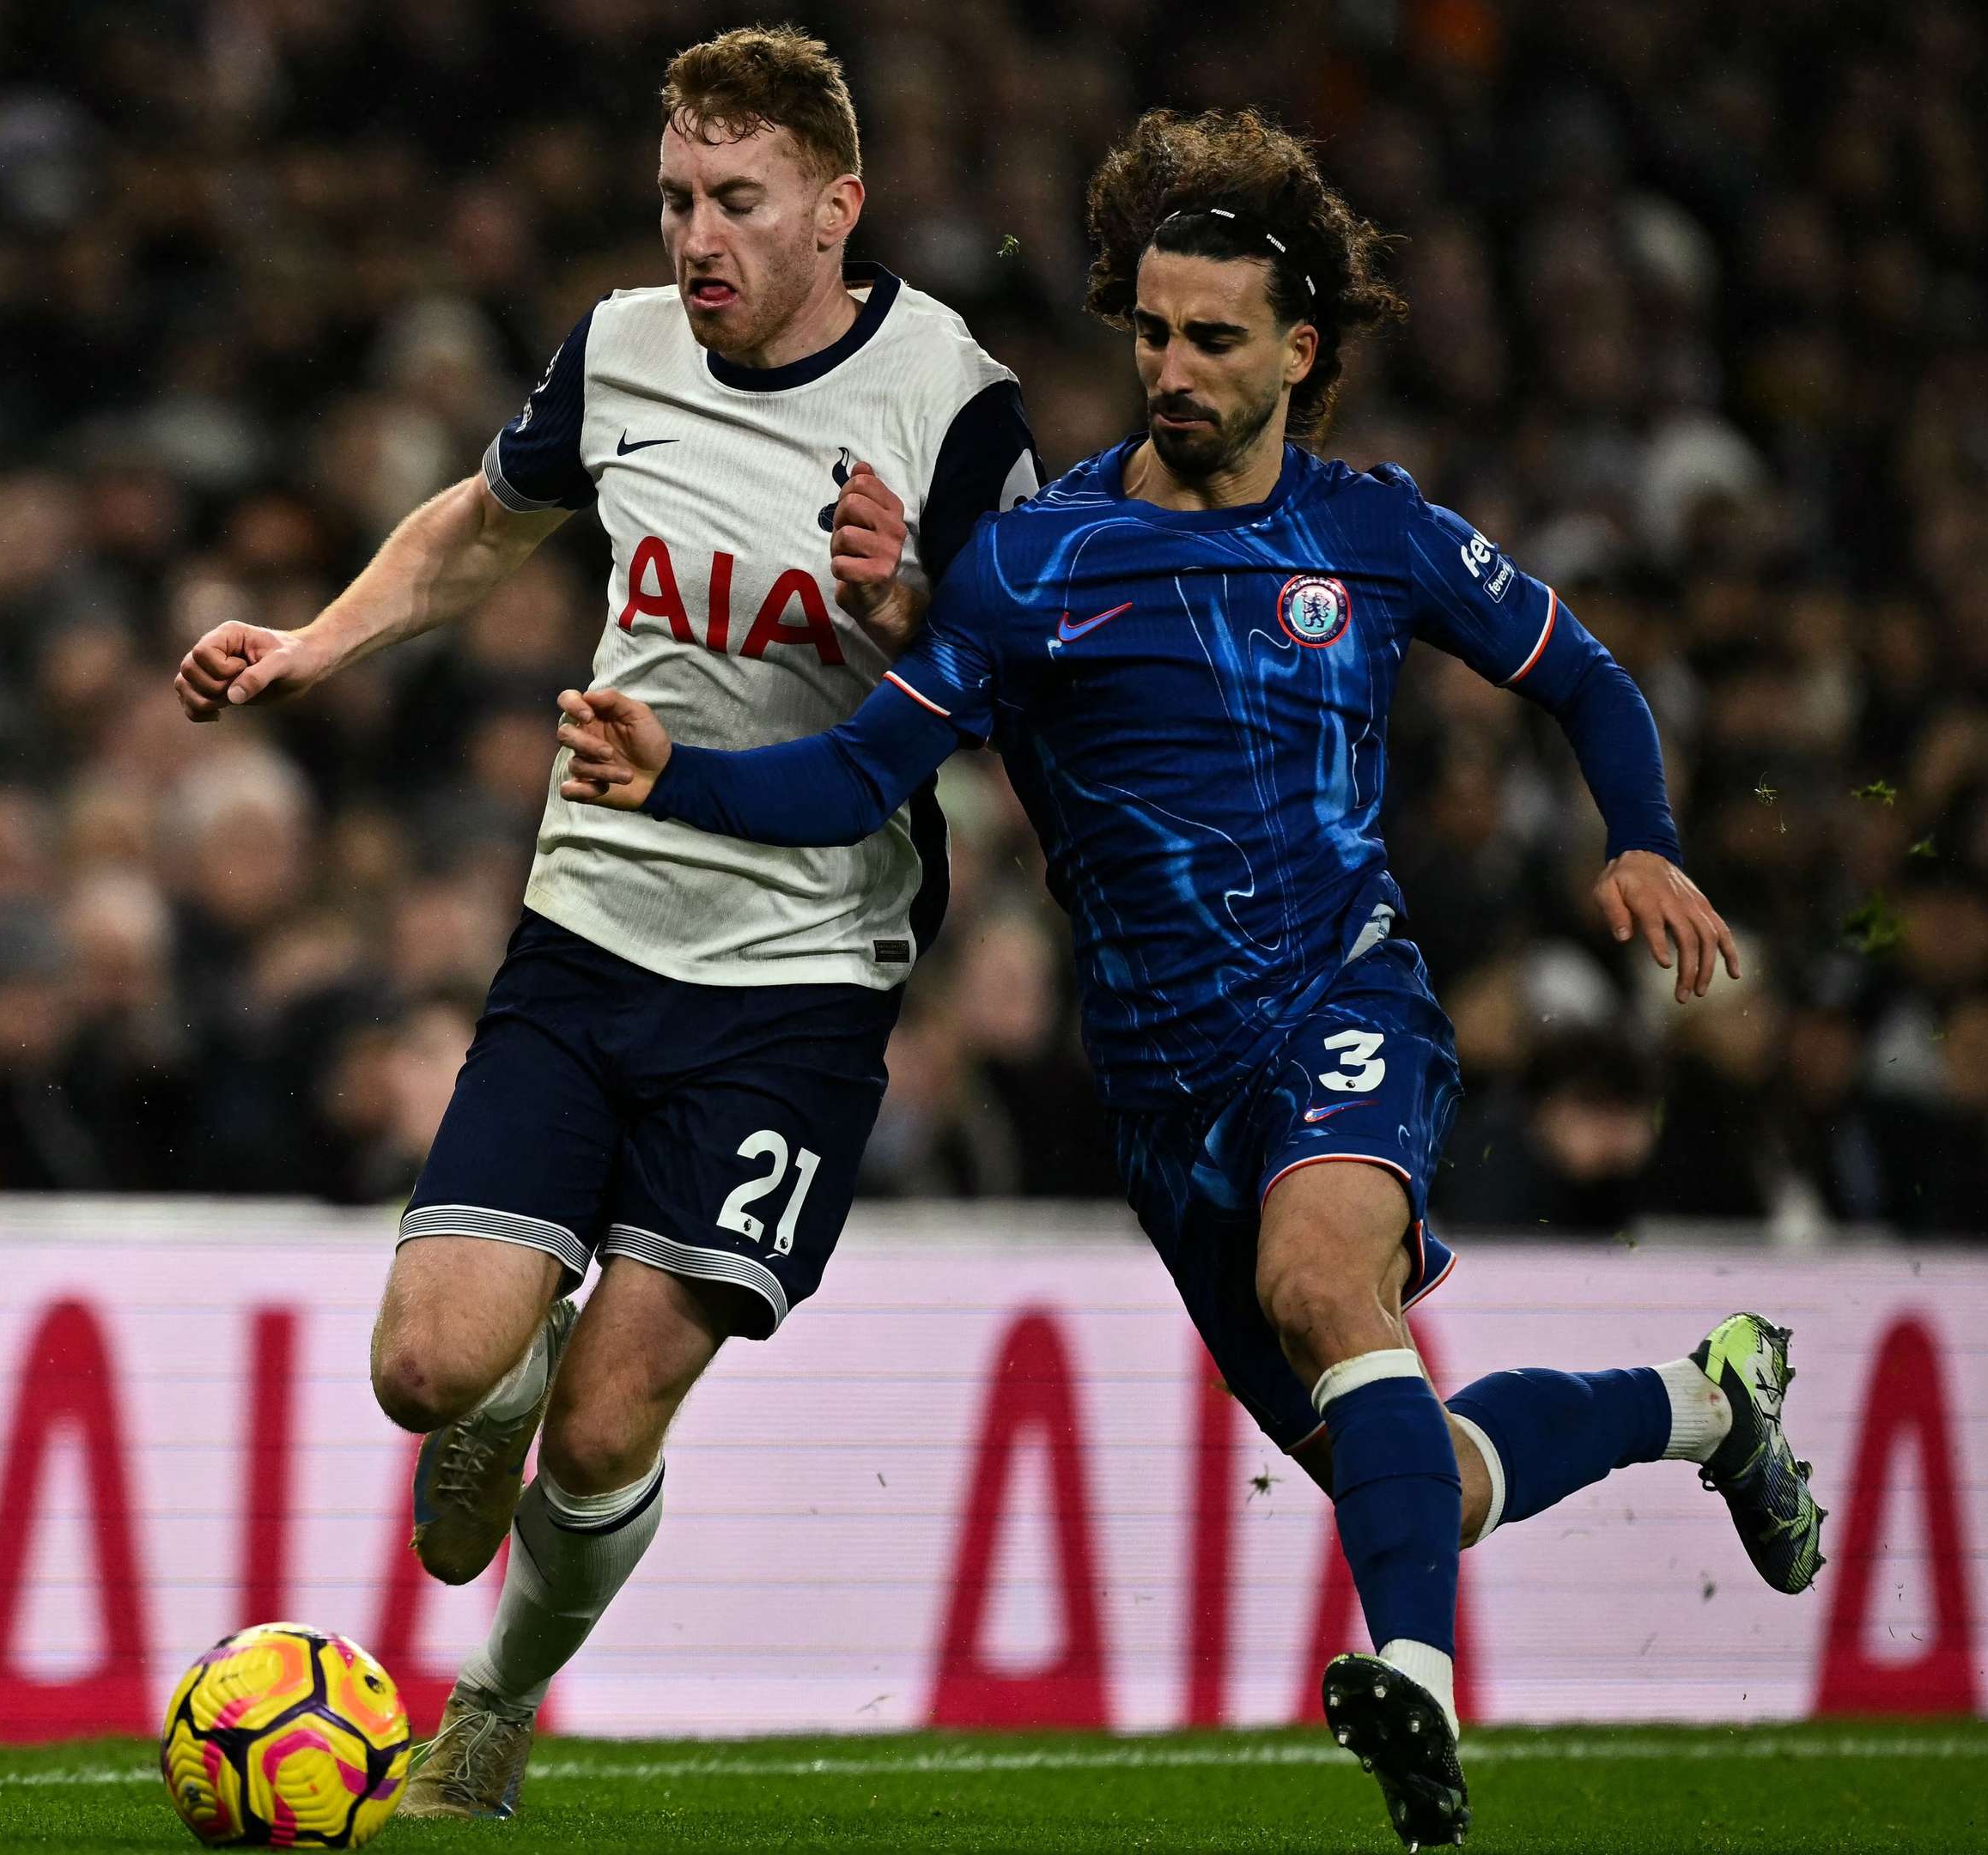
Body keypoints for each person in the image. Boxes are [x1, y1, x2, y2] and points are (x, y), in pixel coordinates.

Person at [552, 110, 1824, 1851]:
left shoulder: (1375, 532)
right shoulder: (1035, 565)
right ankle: (1709, 1401)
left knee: (1326, 1294)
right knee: (1422, 1478)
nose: (1171, 367)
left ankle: (1422, 1696)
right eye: (1149, 331)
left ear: (1301, 351)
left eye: (1213, 337)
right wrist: (672, 772)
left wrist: (1645, 832)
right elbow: (853, 780)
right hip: (1164, 1097)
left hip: (1343, 1003)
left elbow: (1587, 679)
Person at [172, 27, 1037, 1820]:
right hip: (591, 927)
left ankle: (492, 1705)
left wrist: (910, 600)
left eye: (736, 202)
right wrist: (316, 642)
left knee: (617, 1419)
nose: (694, 238)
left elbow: (1009, 680)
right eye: (672, 200)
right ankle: (501, 1385)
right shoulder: (622, 347)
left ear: (836, 207)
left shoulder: (953, 400)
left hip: (801, 980)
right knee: (427, 1370)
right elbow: (487, 529)